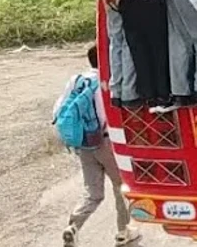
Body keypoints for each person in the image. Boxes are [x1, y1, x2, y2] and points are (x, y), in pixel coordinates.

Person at [56, 44, 140, 247]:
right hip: (106, 142)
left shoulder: (76, 80)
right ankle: (122, 232)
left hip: (84, 143)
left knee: (93, 192)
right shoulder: (106, 83)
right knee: (121, 186)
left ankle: (74, 226)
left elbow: (58, 110)